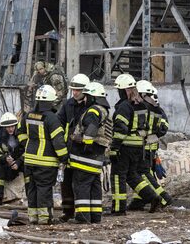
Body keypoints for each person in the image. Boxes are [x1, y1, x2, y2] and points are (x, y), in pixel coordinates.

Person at [110, 73, 161, 215]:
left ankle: (119, 209)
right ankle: (152, 196)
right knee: (132, 176)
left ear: (124, 90)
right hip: (139, 147)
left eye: (119, 90)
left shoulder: (124, 106)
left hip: (125, 146)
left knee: (118, 176)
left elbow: (121, 129)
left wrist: (114, 148)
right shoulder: (141, 104)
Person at [17, 85, 68, 225]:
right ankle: (45, 218)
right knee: (44, 189)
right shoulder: (52, 118)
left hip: (29, 160)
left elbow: (20, 132)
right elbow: (58, 141)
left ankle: (33, 217)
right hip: (46, 161)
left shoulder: (28, 115)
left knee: (32, 188)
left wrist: (27, 145)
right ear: (51, 101)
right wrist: (64, 157)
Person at [69, 82, 112, 224]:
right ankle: (95, 216)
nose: (85, 99)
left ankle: (83, 217)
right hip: (97, 157)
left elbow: (90, 132)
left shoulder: (93, 111)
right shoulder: (104, 110)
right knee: (94, 186)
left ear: (93, 97)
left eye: (87, 96)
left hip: (85, 157)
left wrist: (79, 140)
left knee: (81, 186)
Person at [128, 80, 173, 210]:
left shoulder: (143, 109)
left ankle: (164, 198)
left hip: (143, 148)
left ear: (142, 94)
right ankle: (139, 200)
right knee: (144, 174)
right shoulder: (157, 109)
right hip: (150, 148)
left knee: (142, 174)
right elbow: (163, 128)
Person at [53, 73, 91, 222]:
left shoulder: (91, 106)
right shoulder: (68, 104)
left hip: (84, 151)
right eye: (73, 90)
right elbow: (58, 123)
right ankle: (67, 211)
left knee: (80, 183)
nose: (75, 93)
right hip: (69, 149)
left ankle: (82, 213)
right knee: (66, 182)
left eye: (78, 90)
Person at [0, 112, 24, 205]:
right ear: (3, 127)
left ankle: (29, 195)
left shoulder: (21, 135)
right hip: (6, 166)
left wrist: (18, 162)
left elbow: (26, 151)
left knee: (29, 166)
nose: (11, 129)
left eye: (12, 126)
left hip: (20, 163)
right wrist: (5, 159)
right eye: (8, 127)